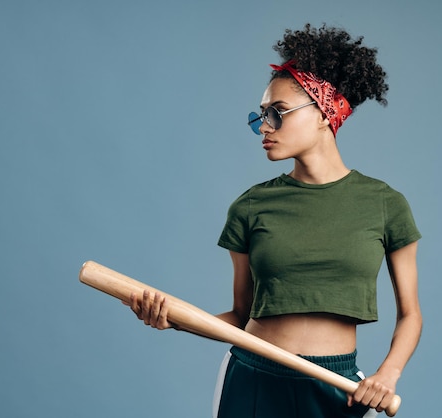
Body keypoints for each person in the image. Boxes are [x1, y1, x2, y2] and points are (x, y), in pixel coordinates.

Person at [126, 23, 422, 418]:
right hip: (253, 379)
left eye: (277, 113)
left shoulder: (385, 204)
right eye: (260, 115)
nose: (264, 127)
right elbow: (241, 315)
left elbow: (411, 315)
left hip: (338, 387)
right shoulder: (251, 206)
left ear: (324, 113)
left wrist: (388, 374)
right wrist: (173, 321)